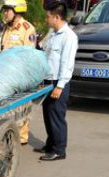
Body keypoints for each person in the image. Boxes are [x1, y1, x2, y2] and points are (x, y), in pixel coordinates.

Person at [35, 0, 77, 161]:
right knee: (48, 114)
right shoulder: (52, 33)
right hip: (48, 80)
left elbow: (67, 65)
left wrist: (59, 86)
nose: (46, 19)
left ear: (57, 17)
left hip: (59, 82)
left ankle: (59, 150)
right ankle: (50, 144)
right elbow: (41, 48)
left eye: (48, 17)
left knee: (56, 116)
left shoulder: (69, 37)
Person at [0, 0, 37, 145]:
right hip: (5, 76)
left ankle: (22, 137)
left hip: (20, 76)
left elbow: (30, 56)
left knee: (22, 108)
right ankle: (9, 133)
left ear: (17, 10)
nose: (5, 13)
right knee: (6, 107)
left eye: (7, 10)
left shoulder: (27, 29)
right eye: (4, 10)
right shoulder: (6, 29)